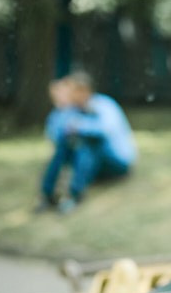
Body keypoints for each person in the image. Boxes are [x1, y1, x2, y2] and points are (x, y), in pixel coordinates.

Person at [39, 70, 136, 211]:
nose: (72, 96)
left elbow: (104, 130)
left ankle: (75, 195)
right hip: (95, 165)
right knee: (64, 144)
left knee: (87, 143)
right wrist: (62, 110)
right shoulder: (72, 109)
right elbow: (54, 134)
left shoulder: (103, 104)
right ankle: (47, 195)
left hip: (117, 161)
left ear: (85, 91)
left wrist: (79, 126)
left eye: (75, 92)